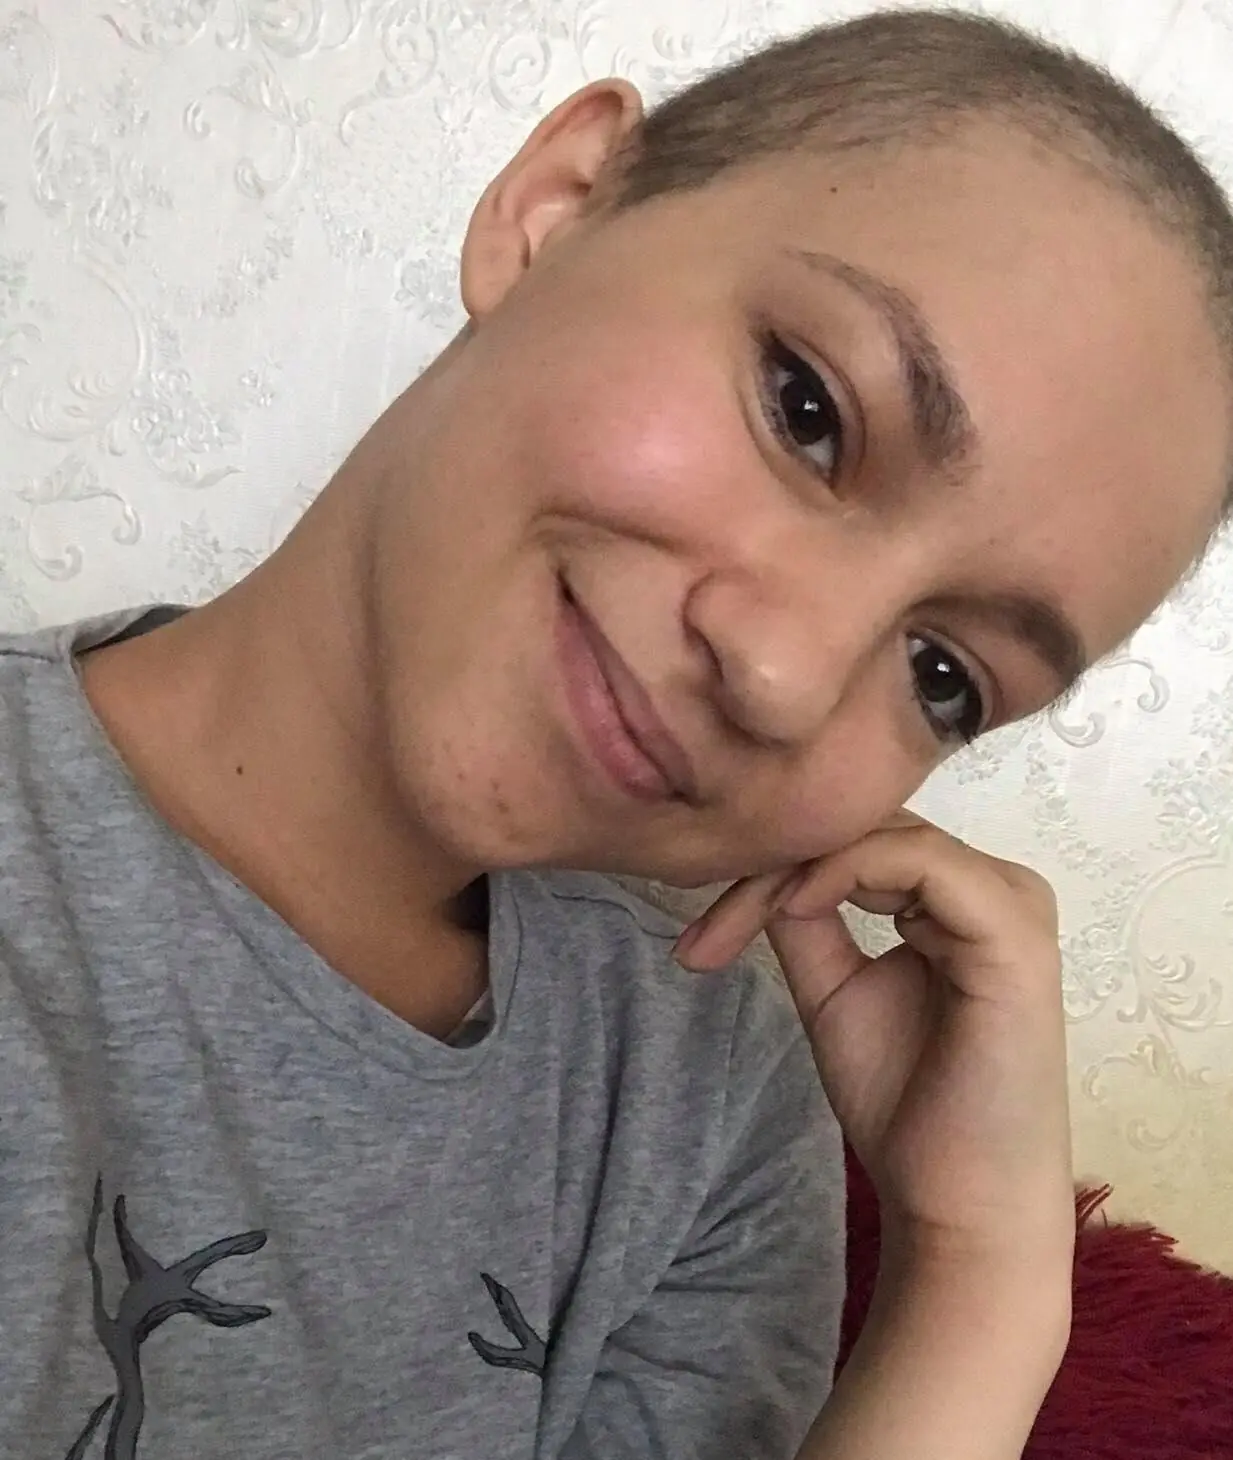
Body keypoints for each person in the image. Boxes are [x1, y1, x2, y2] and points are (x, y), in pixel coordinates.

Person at [1, 7, 1231, 1459]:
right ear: (557, 208)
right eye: (809, 412)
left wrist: (979, 1273)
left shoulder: (704, 1090)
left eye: (944, 675)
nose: (781, 674)